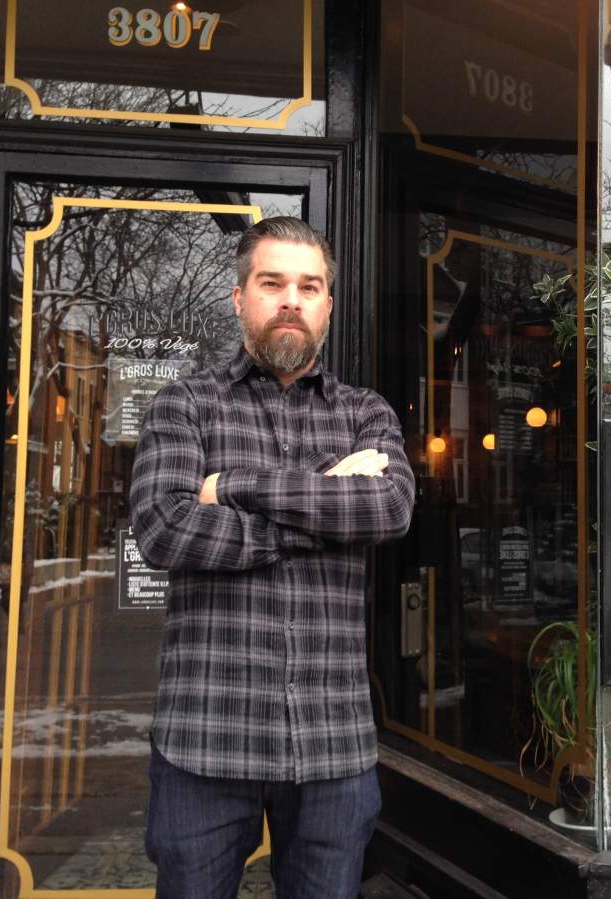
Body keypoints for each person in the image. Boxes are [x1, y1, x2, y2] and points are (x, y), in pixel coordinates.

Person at [130, 216, 415, 899]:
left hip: (332, 746)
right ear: (239, 297)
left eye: (309, 285)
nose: (292, 298)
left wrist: (232, 489)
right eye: (272, 282)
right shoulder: (185, 405)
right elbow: (166, 528)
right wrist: (326, 500)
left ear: (327, 305)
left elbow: (389, 509)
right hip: (206, 738)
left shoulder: (366, 414)